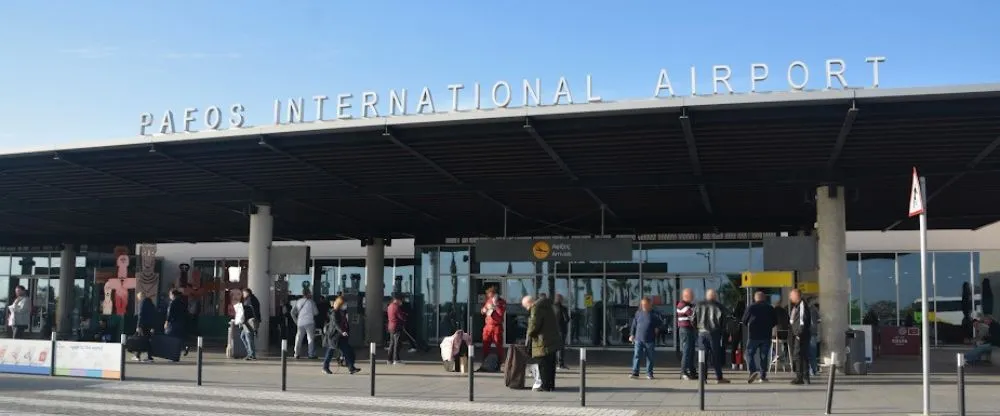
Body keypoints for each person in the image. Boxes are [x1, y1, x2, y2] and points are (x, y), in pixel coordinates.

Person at [524, 295, 562, 392]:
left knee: (543, 364)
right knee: (551, 364)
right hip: (552, 339)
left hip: (542, 341)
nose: (527, 309)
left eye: (526, 307)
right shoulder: (548, 307)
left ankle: (545, 386)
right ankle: (550, 385)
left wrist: (529, 334)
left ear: (529, 303)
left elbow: (534, 325)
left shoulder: (536, 308)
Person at [695, 289, 730, 384]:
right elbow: (724, 321)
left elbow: (693, 319)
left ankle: (703, 378)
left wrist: (698, 329)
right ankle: (719, 377)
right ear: (715, 296)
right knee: (715, 356)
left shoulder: (699, 305)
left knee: (703, 357)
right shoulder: (719, 306)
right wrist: (721, 332)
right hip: (714, 333)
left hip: (702, 333)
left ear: (706, 296)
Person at [322, 296, 361, 374]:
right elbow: (336, 324)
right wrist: (342, 331)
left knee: (347, 351)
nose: (345, 305)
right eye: (344, 304)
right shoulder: (334, 312)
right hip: (334, 336)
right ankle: (325, 367)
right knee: (330, 351)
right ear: (340, 304)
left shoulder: (342, 312)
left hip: (341, 337)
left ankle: (351, 367)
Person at [743, 291, 775, 383]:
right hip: (766, 335)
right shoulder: (770, 308)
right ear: (764, 298)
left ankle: (752, 371)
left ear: (755, 298)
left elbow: (744, 320)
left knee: (749, 354)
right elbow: (774, 321)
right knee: (764, 356)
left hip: (754, 335)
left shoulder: (751, 307)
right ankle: (763, 376)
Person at [629, 297, 661, 380]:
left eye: (645, 304)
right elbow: (634, 325)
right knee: (637, 355)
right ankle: (635, 372)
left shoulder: (654, 314)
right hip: (638, 339)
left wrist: (657, 328)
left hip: (649, 340)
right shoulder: (638, 313)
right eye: (642, 304)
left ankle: (649, 373)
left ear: (650, 305)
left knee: (650, 357)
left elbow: (660, 323)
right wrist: (632, 334)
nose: (644, 306)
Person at [789, 289, 813, 385]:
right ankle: (803, 377)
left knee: (799, 355)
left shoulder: (802, 305)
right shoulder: (796, 306)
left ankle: (801, 377)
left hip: (801, 335)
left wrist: (799, 333)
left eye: (791, 295)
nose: (790, 298)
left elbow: (803, 320)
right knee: (800, 356)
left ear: (796, 296)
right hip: (798, 334)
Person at [479, 286, 506, 368]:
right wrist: (484, 309)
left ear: (494, 294)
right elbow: (483, 311)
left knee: (498, 345)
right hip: (488, 326)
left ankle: (499, 363)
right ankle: (484, 362)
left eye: (490, 295)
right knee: (485, 344)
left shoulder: (501, 301)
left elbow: (501, 313)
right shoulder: (489, 301)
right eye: (488, 295)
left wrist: (495, 306)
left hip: (496, 326)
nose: (489, 296)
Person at [676, 288, 697, 380]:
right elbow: (693, 315)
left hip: (689, 330)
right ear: (687, 296)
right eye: (692, 295)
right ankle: (683, 372)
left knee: (691, 352)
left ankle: (692, 371)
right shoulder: (683, 305)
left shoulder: (688, 305)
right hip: (686, 330)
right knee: (687, 351)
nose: (693, 297)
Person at [292, 288, 319, 359]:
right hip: (309, 322)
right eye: (310, 293)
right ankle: (311, 354)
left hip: (300, 323)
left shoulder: (298, 302)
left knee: (298, 338)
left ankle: (296, 354)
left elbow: (292, 312)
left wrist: (296, 321)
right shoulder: (311, 302)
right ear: (308, 294)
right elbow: (316, 312)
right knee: (310, 338)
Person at [232, 291, 258, 360]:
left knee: (249, 338)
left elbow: (247, 311)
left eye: (244, 293)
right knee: (243, 336)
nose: (243, 295)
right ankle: (250, 353)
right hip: (247, 322)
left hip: (248, 322)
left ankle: (252, 355)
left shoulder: (249, 300)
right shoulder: (248, 300)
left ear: (247, 293)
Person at [135, 291, 157, 362]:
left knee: (143, 340)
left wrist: (138, 326)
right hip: (149, 325)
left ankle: (146, 357)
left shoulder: (142, 303)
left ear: (141, 297)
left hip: (143, 325)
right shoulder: (151, 304)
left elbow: (140, 315)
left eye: (138, 298)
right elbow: (154, 315)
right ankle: (139, 355)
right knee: (145, 340)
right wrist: (153, 326)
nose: (138, 300)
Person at [386, 294, 407, 365]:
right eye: (401, 300)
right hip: (397, 327)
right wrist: (405, 316)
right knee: (397, 344)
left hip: (391, 326)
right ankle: (396, 359)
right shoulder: (396, 307)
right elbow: (401, 317)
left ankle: (389, 359)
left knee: (392, 344)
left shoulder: (389, 306)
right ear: (397, 300)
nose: (401, 302)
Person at [553, 294, 570, 370]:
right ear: (561, 300)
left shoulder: (551, 308)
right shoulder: (563, 308)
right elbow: (566, 319)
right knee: (561, 347)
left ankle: (553, 363)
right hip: (561, 330)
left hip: (552, 330)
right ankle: (561, 364)